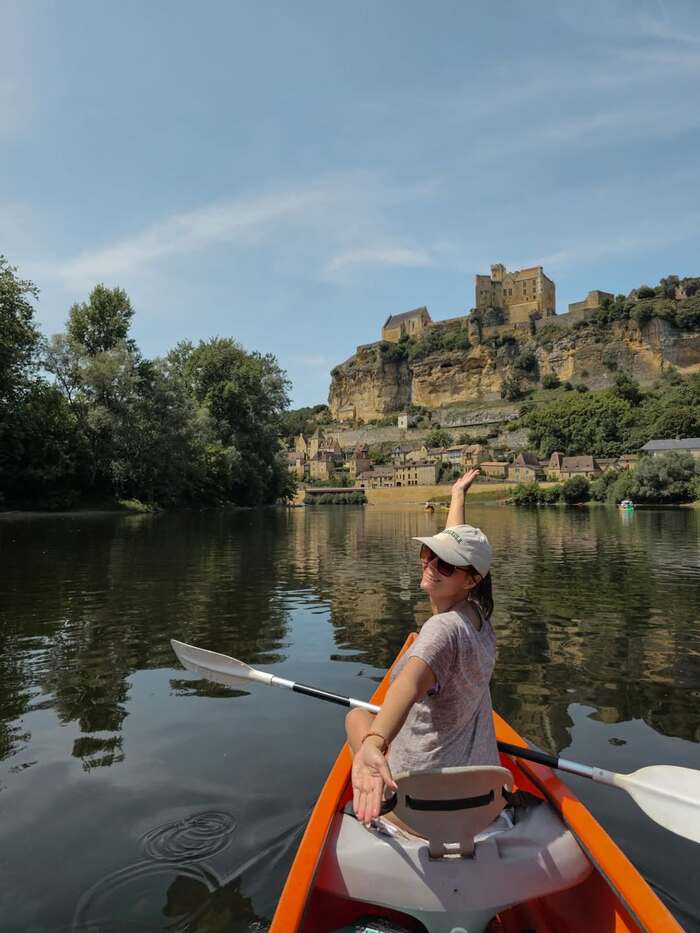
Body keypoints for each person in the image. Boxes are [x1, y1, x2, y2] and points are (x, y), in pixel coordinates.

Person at [345, 468, 499, 826]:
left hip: (417, 805)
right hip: (480, 801)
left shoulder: (441, 631)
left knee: (356, 717)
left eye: (443, 563)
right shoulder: (479, 615)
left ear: (470, 579)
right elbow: (459, 546)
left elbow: (407, 685)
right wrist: (457, 495)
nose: (430, 564)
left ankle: (376, 790)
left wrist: (375, 741)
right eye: (428, 553)